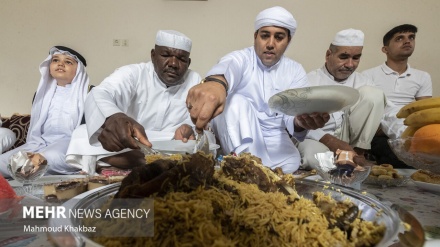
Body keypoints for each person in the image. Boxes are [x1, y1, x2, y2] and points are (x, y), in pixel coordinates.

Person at [185, 6, 329, 174]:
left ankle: (255, 172)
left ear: (288, 41)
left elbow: (293, 116)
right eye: (265, 36)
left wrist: (301, 122)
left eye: (279, 37)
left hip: (275, 137)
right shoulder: (241, 58)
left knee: (292, 160)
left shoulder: (295, 70)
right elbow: (228, 68)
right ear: (255, 37)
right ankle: (246, 165)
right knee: (235, 101)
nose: (270, 44)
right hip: (240, 134)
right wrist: (217, 84)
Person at [65, 30, 206, 173]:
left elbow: (203, 125)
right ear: (153, 55)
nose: (173, 63)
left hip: (170, 142)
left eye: (181, 59)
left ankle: (135, 162)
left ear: (188, 63)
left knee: (205, 143)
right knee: (81, 134)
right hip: (130, 141)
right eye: (165, 55)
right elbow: (100, 93)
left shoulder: (195, 81)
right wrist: (114, 117)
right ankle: (162, 163)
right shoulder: (134, 73)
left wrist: (189, 129)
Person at [296, 29, 386, 170]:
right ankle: (347, 165)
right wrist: (331, 141)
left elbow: (389, 115)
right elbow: (296, 123)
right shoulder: (308, 81)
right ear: (328, 55)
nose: (350, 64)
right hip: (318, 138)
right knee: (312, 157)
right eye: (343, 57)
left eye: (356, 58)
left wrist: (408, 137)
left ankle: (357, 156)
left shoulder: (365, 82)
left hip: (352, 143)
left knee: (373, 94)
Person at [0, 46, 89, 177]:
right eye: (55, 60)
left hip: (69, 144)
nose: (60, 64)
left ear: (79, 69)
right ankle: (31, 168)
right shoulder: (41, 94)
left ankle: (32, 167)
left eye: (68, 62)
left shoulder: (89, 94)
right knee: (5, 161)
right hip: (39, 143)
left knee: (50, 157)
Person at [363, 24, 432, 167]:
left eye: (411, 37)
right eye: (399, 38)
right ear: (385, 49)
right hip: (378, 129)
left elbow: (424, 113)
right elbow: (366, 111)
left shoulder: (422, 77)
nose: (407, 41)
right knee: (391, 151)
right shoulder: (368, 75)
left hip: (409, 127)